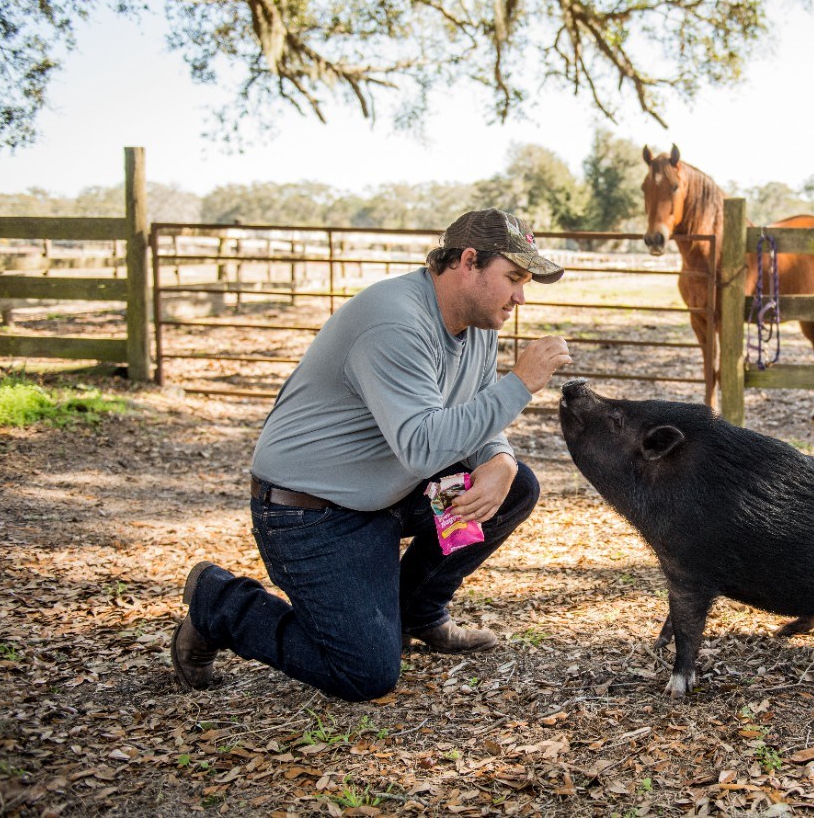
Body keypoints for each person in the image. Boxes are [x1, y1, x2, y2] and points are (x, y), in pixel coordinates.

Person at [170, 208, 572, 701]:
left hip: (386, 490)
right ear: (468, 261)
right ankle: (219, 603)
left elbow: (472, 411)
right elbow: (424, 448)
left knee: (515, 487)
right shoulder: (395, 322)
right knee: (365, 673)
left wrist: (500, 459)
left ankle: (417, 612)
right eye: (513, 278)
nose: (520, 298)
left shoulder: (479, 325)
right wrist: (520, 384)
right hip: (312, 512)